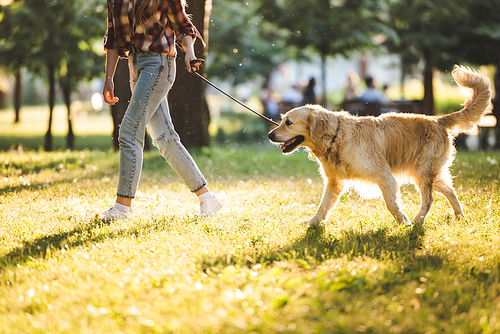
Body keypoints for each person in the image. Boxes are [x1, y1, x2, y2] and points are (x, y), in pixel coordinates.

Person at [97, 0, 222, 221]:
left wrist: (190, 53)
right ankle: (208, 198)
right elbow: (113, 37)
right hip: (135, 66)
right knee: (165, 139)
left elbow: (184, 27)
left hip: (158, 65)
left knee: (128, 131)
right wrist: (109, 78)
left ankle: (122, 208)